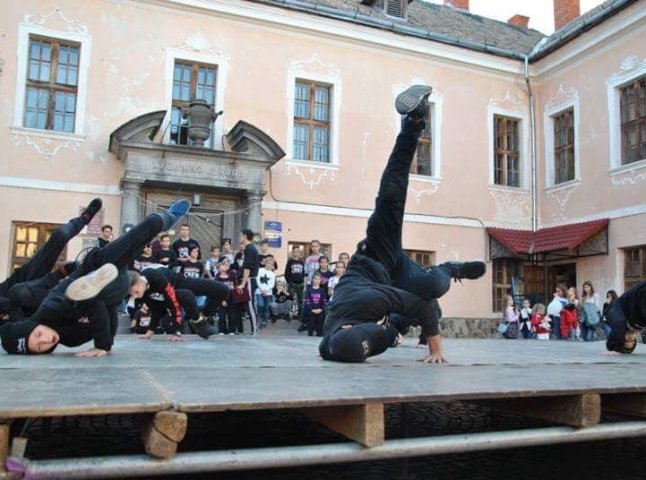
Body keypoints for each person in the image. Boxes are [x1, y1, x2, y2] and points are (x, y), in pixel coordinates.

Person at [318, 86, 486, 364]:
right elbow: (369, 339)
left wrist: (436, 351)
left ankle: (415, 121)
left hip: (377, 257)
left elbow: (423, 305)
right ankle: (400, 323)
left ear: (349, 327)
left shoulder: (369, 303)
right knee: (395, 325)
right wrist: (391, 331)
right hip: (387, 285)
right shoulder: (330, 347)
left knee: (392, 197)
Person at [0, 199, 191, 356]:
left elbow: (94, 307)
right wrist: (108, 340)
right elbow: (107, 316)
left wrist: (103, 344)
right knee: (107, 289)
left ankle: (169, 217)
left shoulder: (50, 310)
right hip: (112, 289)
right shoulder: (72, 340)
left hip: (96, 267)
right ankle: (99, 281)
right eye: (40, 347)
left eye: (38, 334)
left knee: (151, 225)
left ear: (35, 325)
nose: (45, 340)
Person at [0, 199, 102, 321]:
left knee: (60, 235)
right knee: (19, 294)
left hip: (20, 281)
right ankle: (73, 278)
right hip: (26, 309)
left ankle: (85, 218)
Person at [605, 281, 646, 354]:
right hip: (620, 307)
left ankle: (615, 347)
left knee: (620, 321)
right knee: (620, 321)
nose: (630, 339)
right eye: (631, 341)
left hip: (624, 310)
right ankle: (615, 347)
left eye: (626, 341)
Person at [235, 229, 260, 335]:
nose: (239, 237)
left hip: (249, 280)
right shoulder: (249, 249)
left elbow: (247, 268)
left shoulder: (249, 249)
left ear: (245, 236)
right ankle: (240, 329)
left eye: (240, 235)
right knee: (242, 305)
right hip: (246, 279)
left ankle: (255, 329)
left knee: (250, 305)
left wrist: (243, 283)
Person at [213, 257, 236, 334]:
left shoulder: (232, 275)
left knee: (231, 316)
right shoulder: (217, 277)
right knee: (222, 316)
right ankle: (222, 330)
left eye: (226, 265)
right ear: (219, 268)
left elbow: (235, 286)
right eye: (223, 265)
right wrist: (222, 300)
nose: (225, 266)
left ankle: (231, 330)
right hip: (222, 300)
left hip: (231, 298)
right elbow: (216, 290)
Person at [284, 245, 305, 322]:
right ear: (292, 252)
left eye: (297, 252)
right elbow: (286, 274)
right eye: (294, 252)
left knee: (300, 300)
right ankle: (289, 314)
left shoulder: (301, 262)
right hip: (292, 284)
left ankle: (300, 314)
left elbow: (303, 273)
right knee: (291, 299)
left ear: (299, 253)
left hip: (300, 284)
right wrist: (289, 282)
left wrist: (303, 282)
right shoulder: (290, 262)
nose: (296, 253)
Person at [303, 271, 327, 337]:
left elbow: (324, 302)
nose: (317, 281)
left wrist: (321, 309)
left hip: (320, 311)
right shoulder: (309, 291)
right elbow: (307, 302)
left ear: (320, 280)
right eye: (315, 279)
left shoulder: (322, 291)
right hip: (311, 311)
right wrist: (312, 310)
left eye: (318, 279)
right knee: (310, 327)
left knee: (320, 329)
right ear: (312, 279)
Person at [256, 256, 276, 329]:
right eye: (268, 263)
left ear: (273, 266)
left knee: (267, 308)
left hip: (268, 293)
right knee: (260, 304)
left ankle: (264, 321)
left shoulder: (273, 274)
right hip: (259, 292)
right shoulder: (260, 270)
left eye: (271, 264)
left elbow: (272, 284)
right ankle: (259, 315)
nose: (269, 265)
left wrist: (266, 290)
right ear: (265, 263)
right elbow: (257, 280)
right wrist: (262, 289)